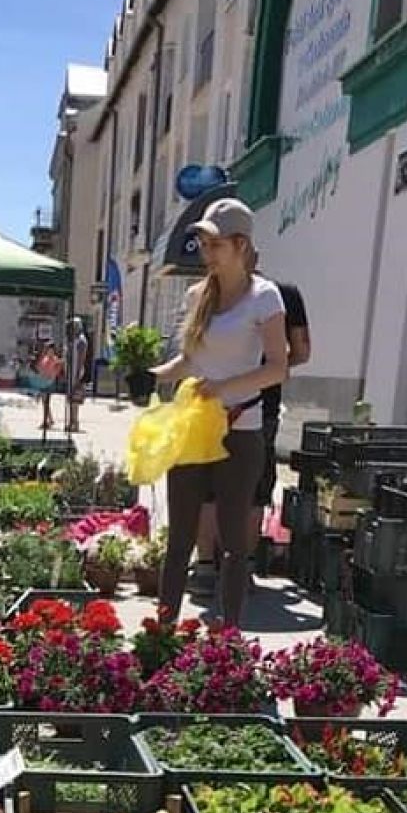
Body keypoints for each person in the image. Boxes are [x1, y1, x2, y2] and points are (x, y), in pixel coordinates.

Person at [150, 198, 288, 626]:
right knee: (180, 541)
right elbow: (189, 361)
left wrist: (223, 390)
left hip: (239, 432)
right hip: (193, 429)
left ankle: (227, 643)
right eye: (203, 245)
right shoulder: (198, 295)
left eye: (215, 245)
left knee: (232, 545)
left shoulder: (265, 297)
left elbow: (277, 367)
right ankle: (162, 635)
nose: (206, 254)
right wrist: (153, 372)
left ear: (240, 245)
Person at [190, 257, 311, 600]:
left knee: (208, 487)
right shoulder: (284, 295)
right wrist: (267, 365)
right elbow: (301, 352)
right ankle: (240, 569)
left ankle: (204, 569)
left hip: (209, 402)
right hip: (261, 406)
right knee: (253, 489)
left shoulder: (209, 297)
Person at [66, 317, 89, 433]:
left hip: (76, 370)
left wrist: (77, 375)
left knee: (75, 398)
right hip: (72, 370)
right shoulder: (73, 340)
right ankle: (71, 421)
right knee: (70, 398)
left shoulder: (81, 340)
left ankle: (75, 422)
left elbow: (81, 358)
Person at [36, 341, 63, 431]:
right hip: (43, 382)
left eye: (51, 350)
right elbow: (39, 368)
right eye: (48, 350)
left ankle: (46, 421)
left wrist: (53, 375)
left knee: (46, 402)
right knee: (45, 402)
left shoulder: (55, 360)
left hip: (50, 383)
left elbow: (59, 367)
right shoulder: (45, 359)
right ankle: (50, 419)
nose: (49, 352)